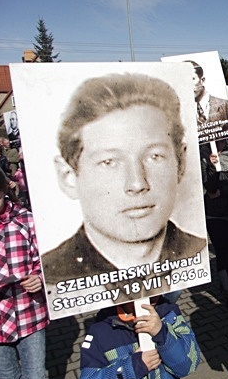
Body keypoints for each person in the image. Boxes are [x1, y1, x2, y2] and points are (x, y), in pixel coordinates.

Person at [42, 73, 207, 307]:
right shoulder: (55, 279)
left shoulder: (197, 255)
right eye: (110, 162)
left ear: (180, 162)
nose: (137, 183)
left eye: (154, 156)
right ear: (68, 177)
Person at [76, 296, 200, 379]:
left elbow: (188, 365)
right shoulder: (101, 330)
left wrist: (163, 335)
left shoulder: (169, 313)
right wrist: (131, 368)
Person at [0, 167, 51, 379]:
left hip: (30, 312)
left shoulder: (26, 219)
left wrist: (39, 278)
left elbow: (46, 260)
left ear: (5, 190)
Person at [201, 141, 228, 314]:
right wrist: (212, 167)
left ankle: (227, 276)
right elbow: (210, 188)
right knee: (222, 251)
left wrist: (224, 191)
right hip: (213, 214)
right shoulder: (203, 156)